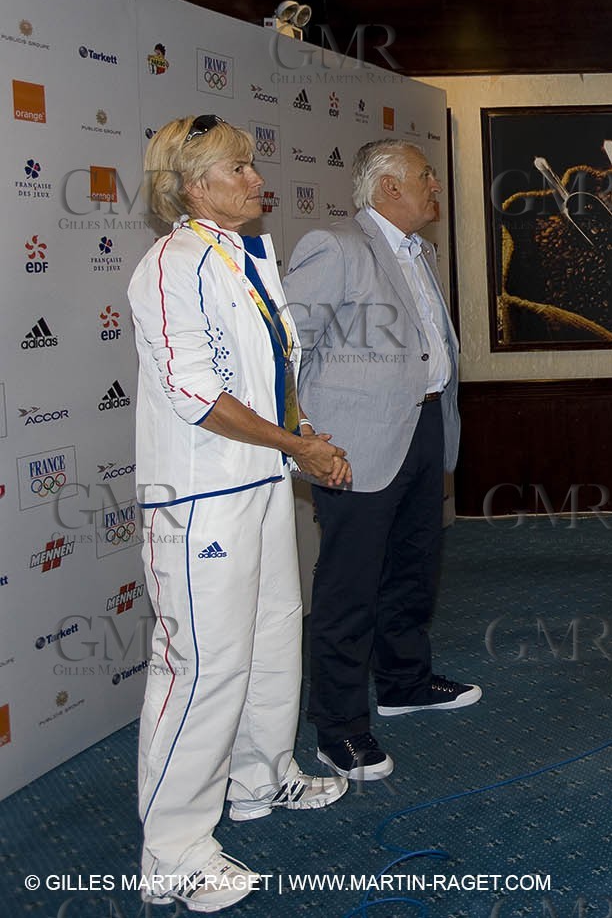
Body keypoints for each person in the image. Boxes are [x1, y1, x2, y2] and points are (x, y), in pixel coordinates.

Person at [128, 115, 350, 913]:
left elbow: (264, 376)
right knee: (201, 668)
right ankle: (174, 852)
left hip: (257, 486)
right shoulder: (172, 264)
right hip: (200, 499)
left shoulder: (245, 257)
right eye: (240, 168)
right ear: (194, 187)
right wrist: (297, 443)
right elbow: (197, 394)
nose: (258, 179)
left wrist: (298, 437)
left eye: (252, 165)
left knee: (270, 637)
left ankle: (260, 779)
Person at [283, 139, 477, 782]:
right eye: (425, 176)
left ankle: (403, 684)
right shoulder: (334, 246)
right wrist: (305, 436)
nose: (434, 186)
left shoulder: (417, 252)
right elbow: (282, 350)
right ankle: (337, 729)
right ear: (389, 187)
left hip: (422, 427)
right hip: (355, 444)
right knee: (349, 588)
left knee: (414, 570)